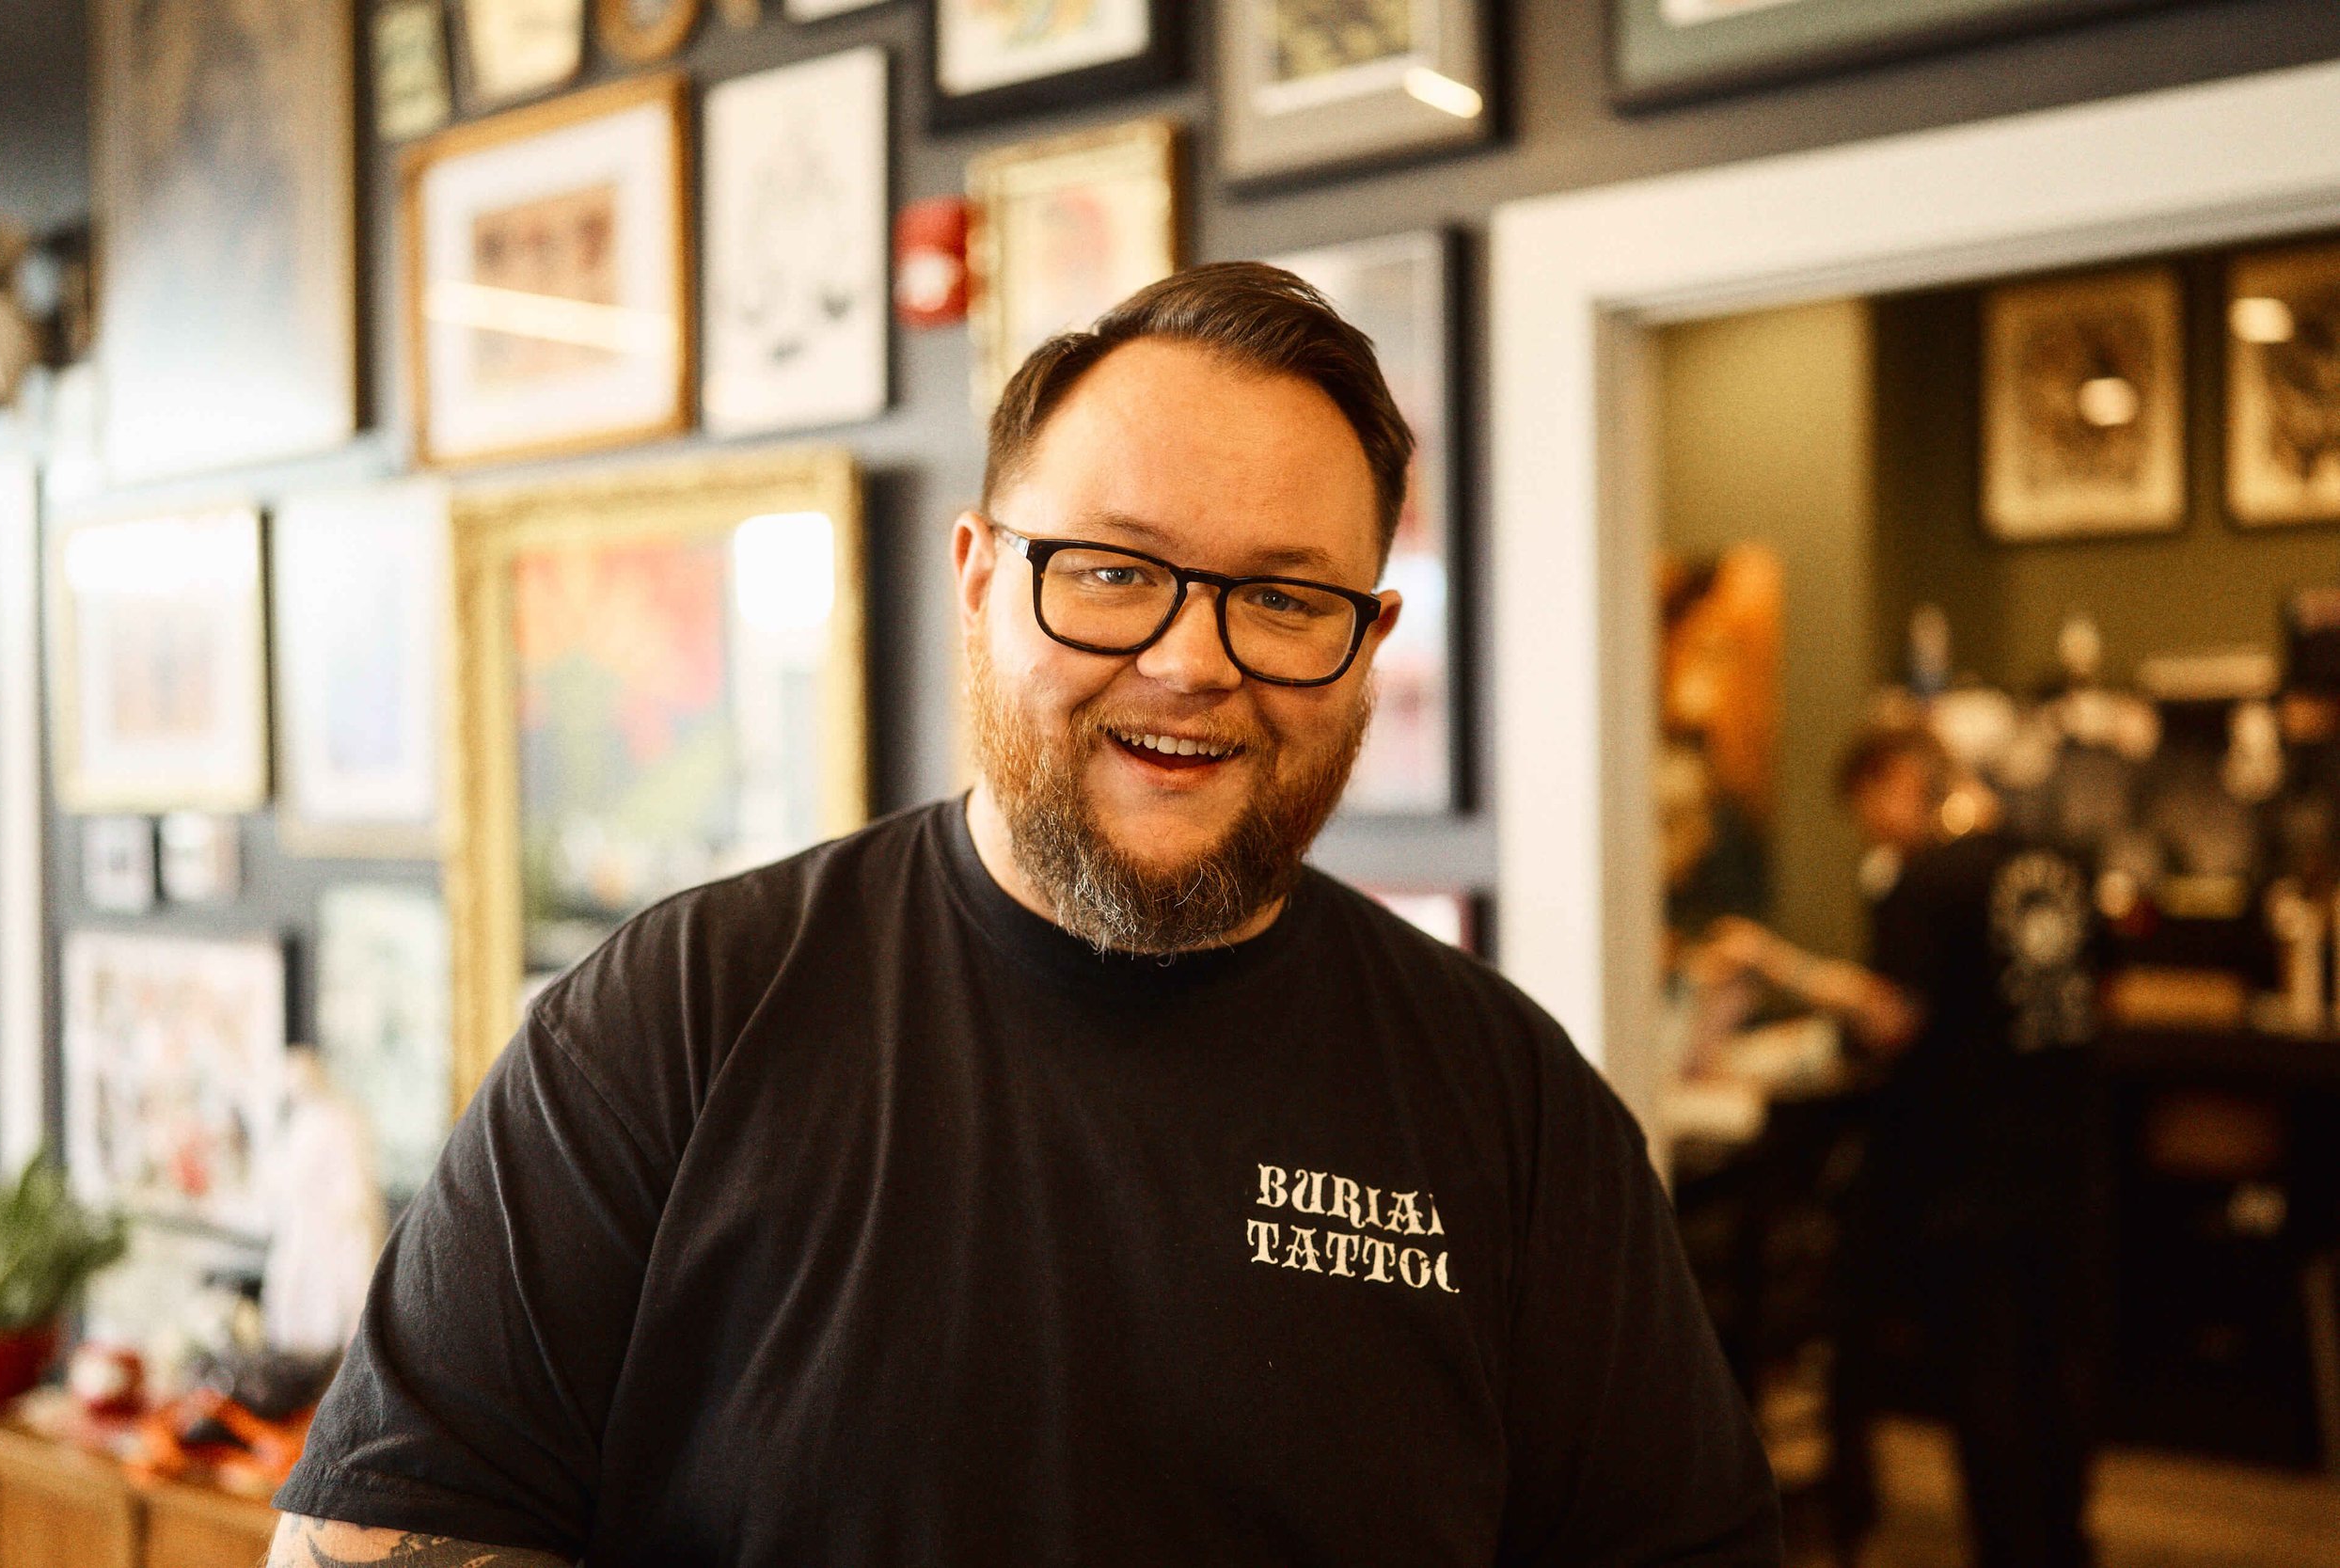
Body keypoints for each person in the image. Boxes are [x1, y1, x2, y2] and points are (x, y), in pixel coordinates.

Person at [268, 264, 1780, 1568]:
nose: (1193, 660)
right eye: (1113, 571)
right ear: (982, 577)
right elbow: (385, 1524)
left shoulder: (1513, 1109)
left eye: (1284, 596)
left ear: (1371, 639)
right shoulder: (681, 1016)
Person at [1705, 721, 2103, 1568]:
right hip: (2069, 1153)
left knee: (1988, 1377)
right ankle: (2066, 1541)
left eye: (1867, 812)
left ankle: (2012, 1551)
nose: (1875, 834)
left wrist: (1779, 963)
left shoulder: (1928, 878)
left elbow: (1894, 1015)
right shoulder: (2057, 861)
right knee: (2058, 1366)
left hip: (1972, 1168)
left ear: (1894, 781)